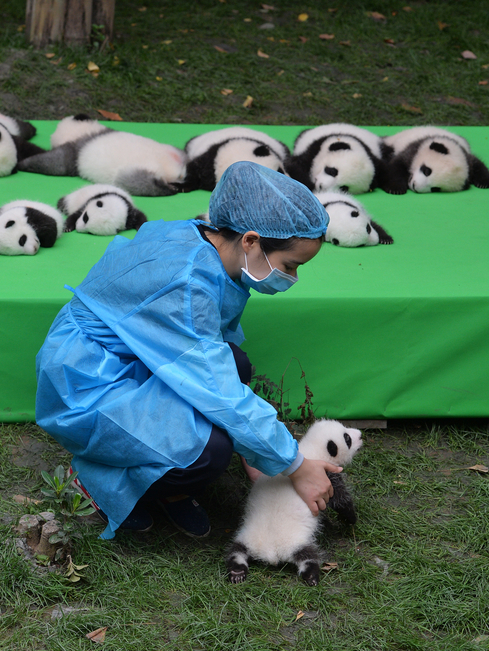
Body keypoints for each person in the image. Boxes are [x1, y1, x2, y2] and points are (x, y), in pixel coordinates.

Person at [34, 161, 343, 539]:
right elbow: (219, 391)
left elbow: (217, 363)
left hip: (132, 360)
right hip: (88, 384)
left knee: (236, 364)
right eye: (289, 265)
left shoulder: (203, 240)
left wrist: (260, 450)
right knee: (208, 453)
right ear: (250, 240)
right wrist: (295, 464)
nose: (292, 278)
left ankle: (164, 486)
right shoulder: (186, 286)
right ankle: (94, 481)